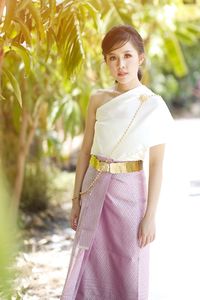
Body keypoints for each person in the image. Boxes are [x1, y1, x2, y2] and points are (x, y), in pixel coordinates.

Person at [60, 24, 174, 300]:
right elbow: (85, 150)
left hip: (130, 193)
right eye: (112, 57)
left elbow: (157, 165)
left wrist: (150, 216)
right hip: (94, 186)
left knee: (129, 262)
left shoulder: (153, 105)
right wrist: (76, 200)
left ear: (140, 58)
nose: (120, 64)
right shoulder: (98, 99)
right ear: (106, 62)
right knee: (89, 261)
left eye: (127, 55)